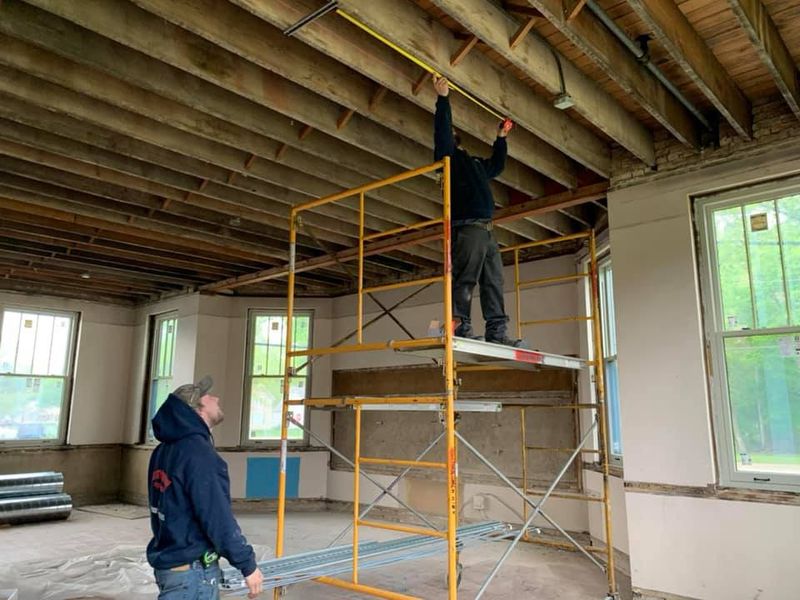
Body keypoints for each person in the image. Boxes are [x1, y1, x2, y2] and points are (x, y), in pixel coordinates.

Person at [147, 375, 264, 599]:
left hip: (171, 565)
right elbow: (217, 518)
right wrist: (247, 565)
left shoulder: (163, 450)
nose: (216, 397)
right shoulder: (199, 454)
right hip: (192, 573)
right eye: (208, 396)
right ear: (197, 410)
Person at [433, 75, 527, 347]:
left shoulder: (473, 163)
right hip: (468, 228)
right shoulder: (447, 158)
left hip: (486, 229)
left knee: (493, 281)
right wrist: (443, 99)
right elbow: (441, 130)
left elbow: (496, 166)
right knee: (465, 280)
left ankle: (497, 331)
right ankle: (459, 327)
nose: (448, 134)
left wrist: (501, 138)